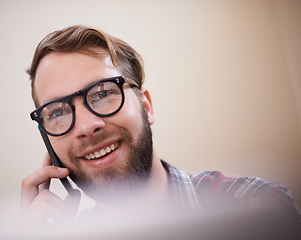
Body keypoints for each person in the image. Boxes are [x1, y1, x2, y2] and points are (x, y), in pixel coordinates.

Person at [21, 25, 301, 238]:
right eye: (57, 112)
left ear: (146, 106)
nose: (85, 126)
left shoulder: (259, 206)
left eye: (103, 93)